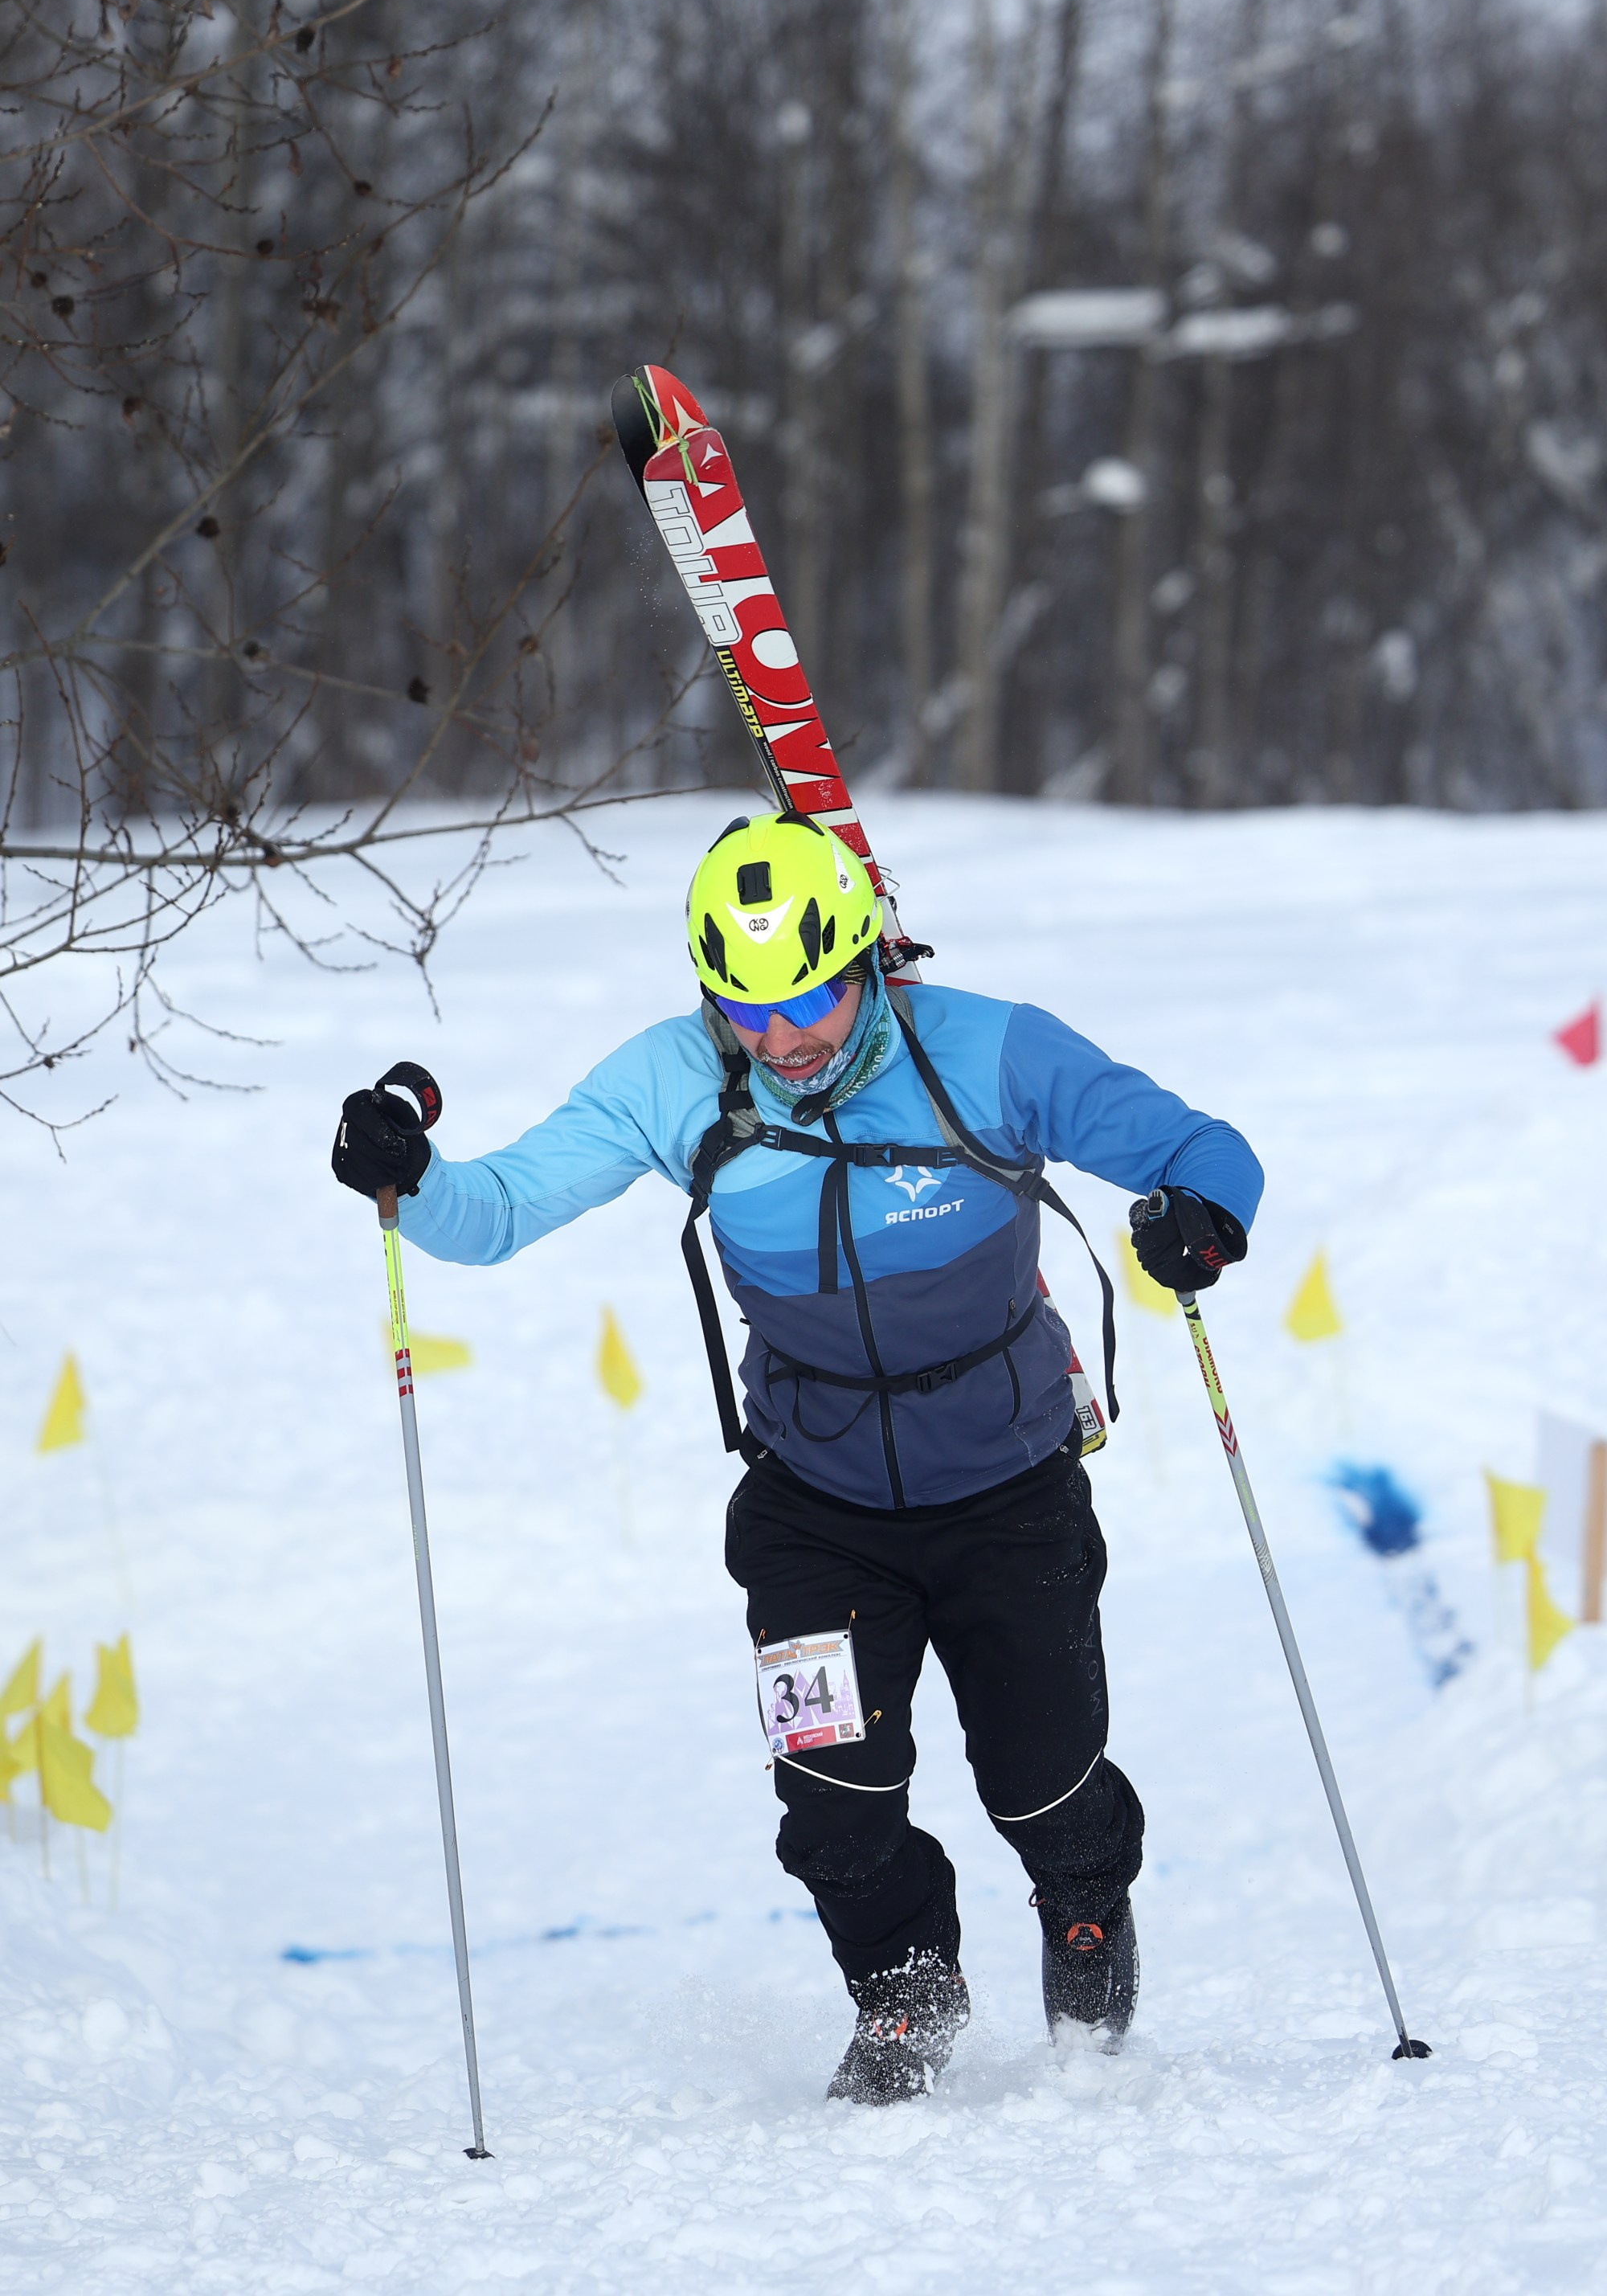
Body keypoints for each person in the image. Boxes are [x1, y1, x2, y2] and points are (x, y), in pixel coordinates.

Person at [331, 811, 1261, 2104]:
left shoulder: (989, 1050)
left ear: (870, 957)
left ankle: (1087, 1906)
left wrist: (1202, 1218)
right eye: (746, 1008)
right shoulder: (675, 1079)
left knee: (1042, 1778)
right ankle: (904, 1993)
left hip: (1009, 1480)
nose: (783, 1040)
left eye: (812, 997)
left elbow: (1199, 1148)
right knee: (834, 1799)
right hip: (815, 1503)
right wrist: (411, 1178)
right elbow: (494, 1214)